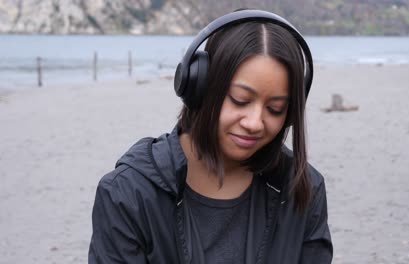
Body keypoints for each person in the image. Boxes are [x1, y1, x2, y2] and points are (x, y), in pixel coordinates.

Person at [89, 9, 333, 264]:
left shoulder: (304, 189)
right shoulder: (127, 194)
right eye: (240, 101)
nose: (254, 123)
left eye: (275, 109)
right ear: (200, 86)